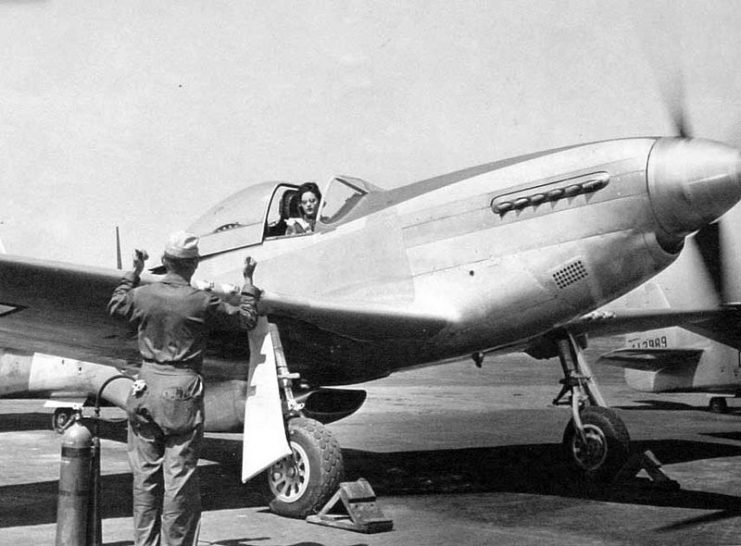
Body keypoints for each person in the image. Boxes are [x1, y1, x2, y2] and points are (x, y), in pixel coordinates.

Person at [107, 231, 261, 546]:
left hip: (145, 388)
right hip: (183, 394)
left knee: (145, 480)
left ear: (164, 262)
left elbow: (117, 306)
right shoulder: (201, 301)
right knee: (179, 481)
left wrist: (134, 272)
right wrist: (247, 281)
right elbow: (246, 319)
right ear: (194, 265)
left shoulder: (144, 294)